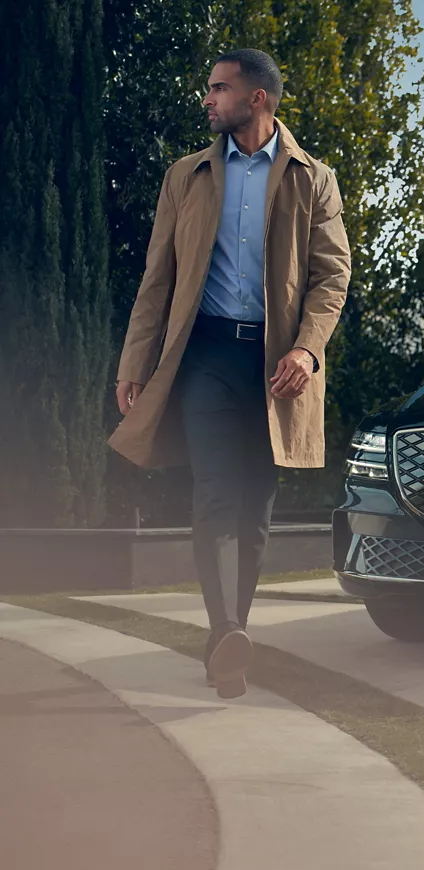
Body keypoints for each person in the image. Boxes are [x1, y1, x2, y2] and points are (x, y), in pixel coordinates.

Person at [111, 49, 351, 698]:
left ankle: (231, 636)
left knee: (257, 505)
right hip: (207, 357)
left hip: (277, 366)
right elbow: (156, 278)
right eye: (208, 89)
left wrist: (306, 350)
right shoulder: (185, 177)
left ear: (259, 100)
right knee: (217, 492)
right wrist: (135, 361)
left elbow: (333, 277)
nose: (207, 99)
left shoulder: (312, 178)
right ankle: (225, 635)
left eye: (219, 89)